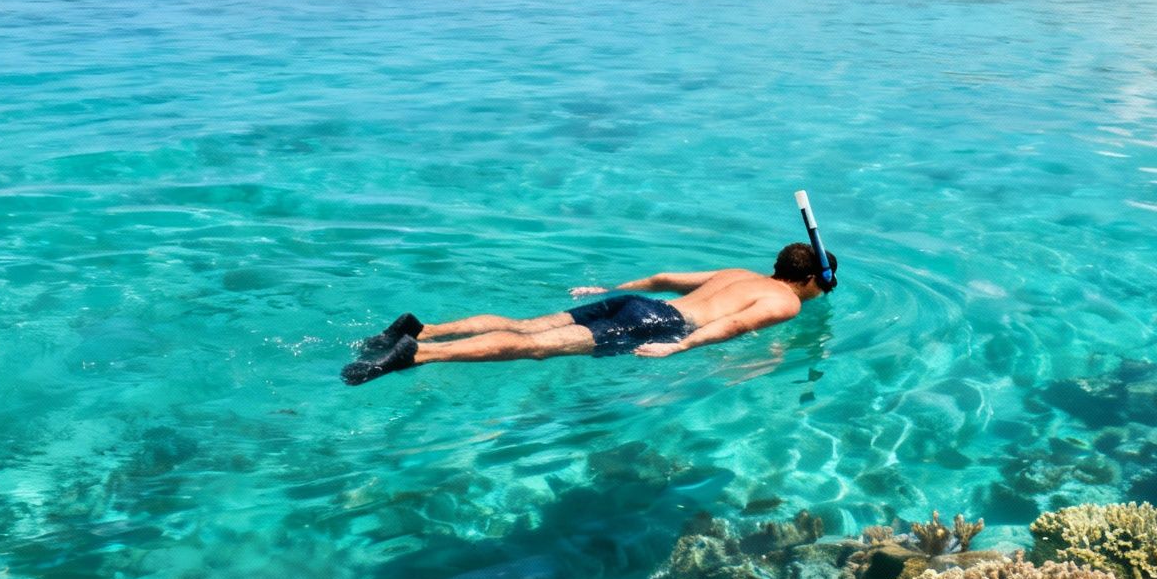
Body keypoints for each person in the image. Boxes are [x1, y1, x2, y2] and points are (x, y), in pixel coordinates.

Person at [341, 243, 838, 385]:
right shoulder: (787, 302)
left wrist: (610, 290)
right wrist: (682, 346)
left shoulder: (736, 273)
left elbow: (664, 277)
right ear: (815, 279)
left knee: (525, 326)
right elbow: (737, 325)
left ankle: (422, 328)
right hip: (661, 324)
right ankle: (420, 354)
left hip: (639, 305)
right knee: (535, 349)